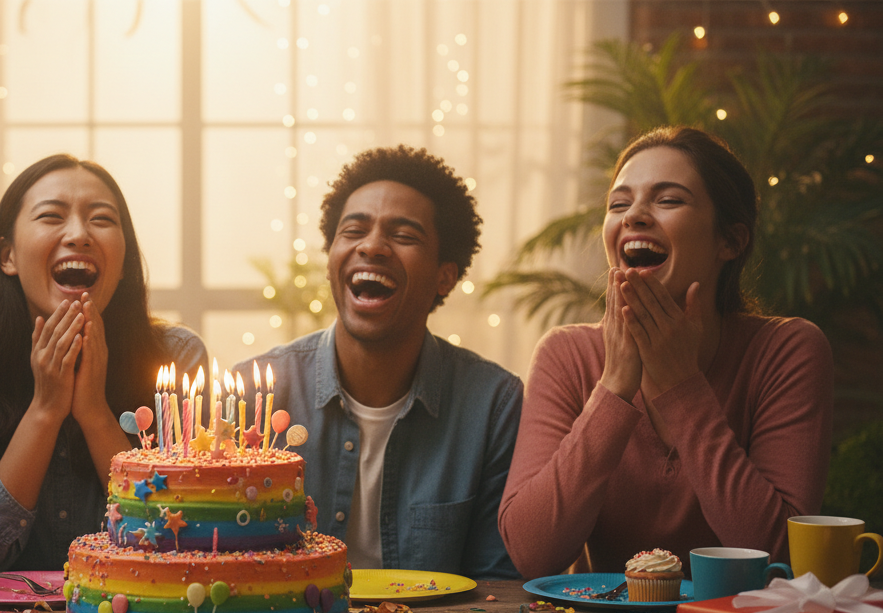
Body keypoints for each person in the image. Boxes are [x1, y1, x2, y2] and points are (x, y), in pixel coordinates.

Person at [498, 127, 833, 579]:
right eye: (619, 204)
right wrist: (614, 387)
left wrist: (683, 388)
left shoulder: (787, 351)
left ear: (730, 241)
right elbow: (532, 555)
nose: (634, 215)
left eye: (668, 200)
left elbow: (775, 557)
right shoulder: (567, 355)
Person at [233, 145, 521, 578]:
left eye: (403, 236)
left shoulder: (492, 405)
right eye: (353, 230)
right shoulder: (256, 395)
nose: (373, 246)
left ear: (446, 274)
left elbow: (496, 587)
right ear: (331, 256)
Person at [0, 154, 208, 573]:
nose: (78, 234)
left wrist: (94, 414)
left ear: (125, 262)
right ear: (8, 256)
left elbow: (177, 543)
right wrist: (45, 410)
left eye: (102, 220)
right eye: (51, 216)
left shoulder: (178, 359)